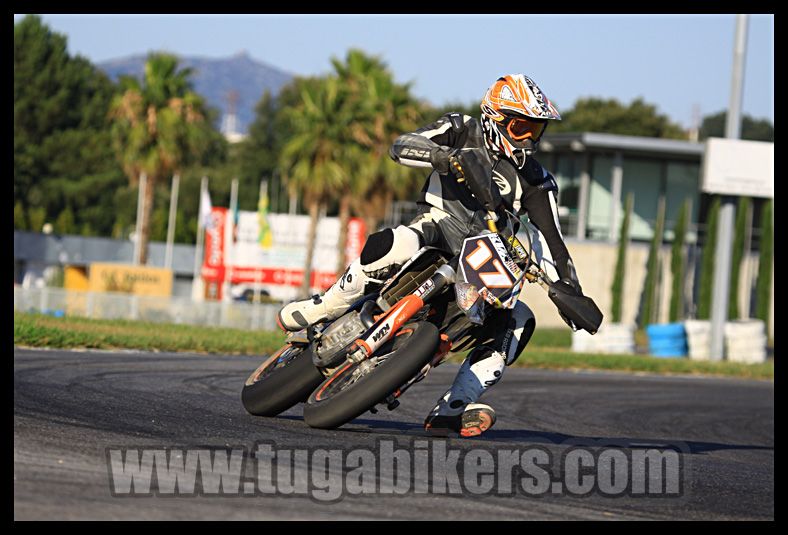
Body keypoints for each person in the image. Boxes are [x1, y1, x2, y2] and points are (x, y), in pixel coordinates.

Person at [278, 74, 584, 437]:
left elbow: (553, 239)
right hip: (438, 227)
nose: (529, 138)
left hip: (486, 260)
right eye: (520, 127)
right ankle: (323, 306)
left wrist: (570, 289)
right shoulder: (460, 128)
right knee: (394, 243)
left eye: (536, 130)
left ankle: (455, 405)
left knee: (520, 320)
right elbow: (401, 145)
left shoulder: (537, 179)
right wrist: (445, 156)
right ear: (494, 118)